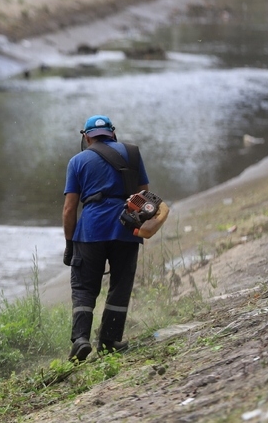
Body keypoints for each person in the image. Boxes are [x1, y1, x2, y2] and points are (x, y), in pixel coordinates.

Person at [62, 115, 149, 362]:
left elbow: (70, 209)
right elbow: (145, 194)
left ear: (86, 136)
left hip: (91, 230)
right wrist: (135, 220)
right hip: (126, 227)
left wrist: (70, 243)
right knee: (120, 284)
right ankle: (109, 342)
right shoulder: (132, 153)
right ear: (113, 133)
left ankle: (80, 340)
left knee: (83, 286)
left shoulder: (77, 161)